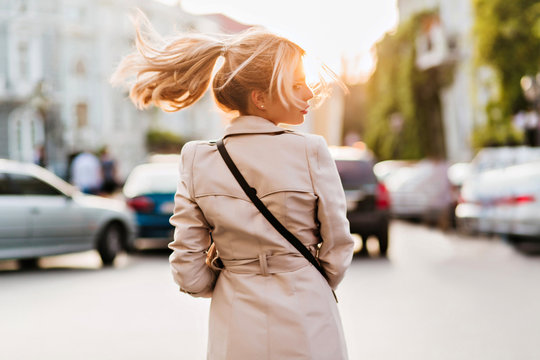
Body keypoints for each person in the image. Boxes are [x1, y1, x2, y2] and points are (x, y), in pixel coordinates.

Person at [111, 11, 354, 360]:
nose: (309, 93)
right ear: (260, 97)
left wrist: (233, 281)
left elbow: (187, 269)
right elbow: (338, 246)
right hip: (308, 309)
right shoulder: (311, 151)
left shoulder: (197, 159)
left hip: (236, 315)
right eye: (296, 84)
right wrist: (307, 278)